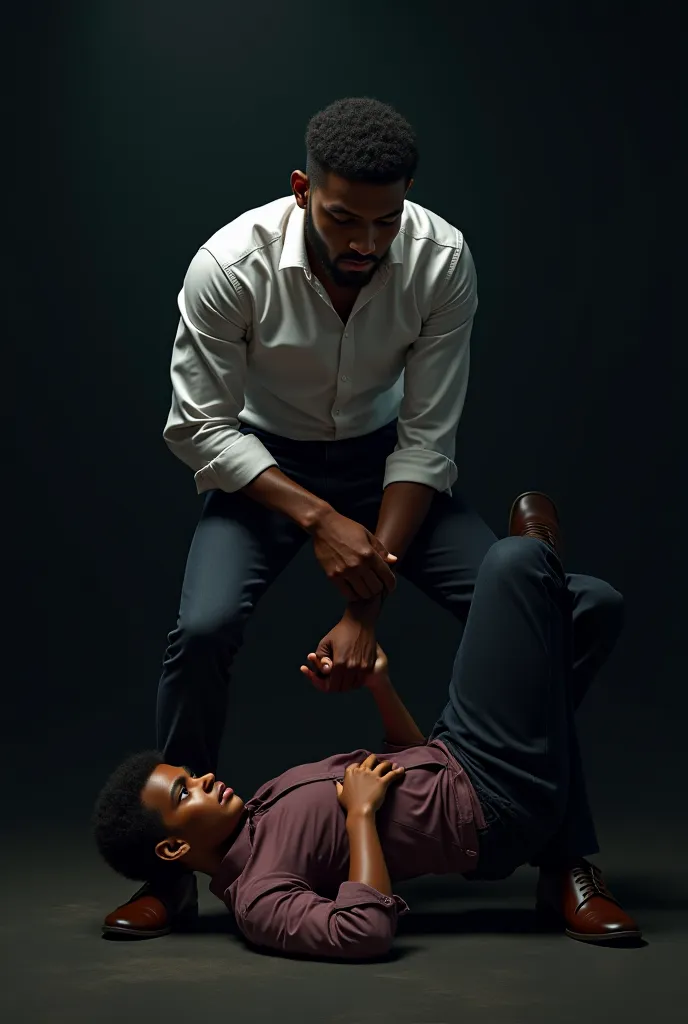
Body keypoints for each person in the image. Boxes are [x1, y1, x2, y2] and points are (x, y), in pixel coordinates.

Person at [102, 96, 624, 934]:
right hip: (264, 472)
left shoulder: (441, 257)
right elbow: (198, 428)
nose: (365, 245)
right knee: (202, 628)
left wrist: (362, 605)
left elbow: (426, 440)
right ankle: (174, 875)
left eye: (386, 223)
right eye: (345, 219)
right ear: (304, 188)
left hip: (391, 471)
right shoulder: (229, 265)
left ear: (408, 199)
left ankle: (561, 856)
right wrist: (318, 518)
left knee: (570, 617)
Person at [94, 494, 641, 957]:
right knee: (513, 564)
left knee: (594, 608)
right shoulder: (259, 897)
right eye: (186, 792)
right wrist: (359, 814)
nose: (206, 779)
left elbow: (405, 758)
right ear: (172, 851)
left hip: (457, 751)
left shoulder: (261, 804)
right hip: (492, 806)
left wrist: (379, 685)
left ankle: (540, 576)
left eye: (192, 776)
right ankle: (538, 555)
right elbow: (362, 932)